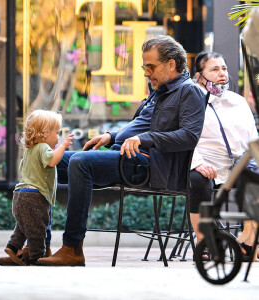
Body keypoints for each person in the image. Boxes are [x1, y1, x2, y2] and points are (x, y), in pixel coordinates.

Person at [36, 34, 206, 267]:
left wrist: (145, 138)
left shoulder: (189, 92)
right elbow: (142, 126)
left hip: (150, 166)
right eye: (144, 67)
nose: (146, 73)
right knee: (45, 162)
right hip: (126, 156)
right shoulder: (158, 90)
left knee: (80, 162)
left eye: (151, 67)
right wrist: (112, 136)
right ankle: (37, 243)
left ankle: (72, 248)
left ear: (171, 64)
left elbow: (189, 136)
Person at [189, 51, 258, 260]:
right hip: (206, 164)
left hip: (239, 165)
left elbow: (252, 139)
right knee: (196, 180)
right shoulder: (190, 101)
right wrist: (198, 163)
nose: (222, 74)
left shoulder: (237, 101)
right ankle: (205, 242)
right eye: (214, 69)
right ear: (199, 75)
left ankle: (248, 242)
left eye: (224, 68)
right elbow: (184, 139)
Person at [0, 109, 74, 266]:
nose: (58, 137)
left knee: (23, 226)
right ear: (45, 134)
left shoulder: (29, 151)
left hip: (20, 194)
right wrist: (64, 145)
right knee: (38, 231)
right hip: (35, 196)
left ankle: (14, 247)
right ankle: (36, 259)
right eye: (57, 133)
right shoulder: (43, 148)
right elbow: (52, 161)